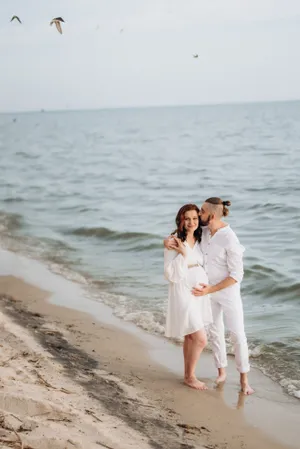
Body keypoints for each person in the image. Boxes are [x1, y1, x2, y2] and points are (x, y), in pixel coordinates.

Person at [164, 198, 254, 395]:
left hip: (223, 292)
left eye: (200, 213)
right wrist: (168, 242)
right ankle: (219, 372)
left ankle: (244, 379)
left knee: (237, 334)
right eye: (194, 215)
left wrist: (209, 290)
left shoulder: (229, 238)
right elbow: (182, 237)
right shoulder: (202, 232)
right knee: (212, 333)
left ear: (210, 216)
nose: (197, 217)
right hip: (200, 292)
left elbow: (237, 275)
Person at [164, 204, 212, 390]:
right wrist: (183, 254)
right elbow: (169, 273)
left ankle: (187, 375)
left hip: (199, 292)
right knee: (200, 339)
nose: (191, 222)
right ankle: (191, 376)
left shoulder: (201, 238)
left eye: (194, 218)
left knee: (191, 337)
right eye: (187, 218)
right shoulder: (174, 241)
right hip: (183, 290)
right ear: (181, 220)